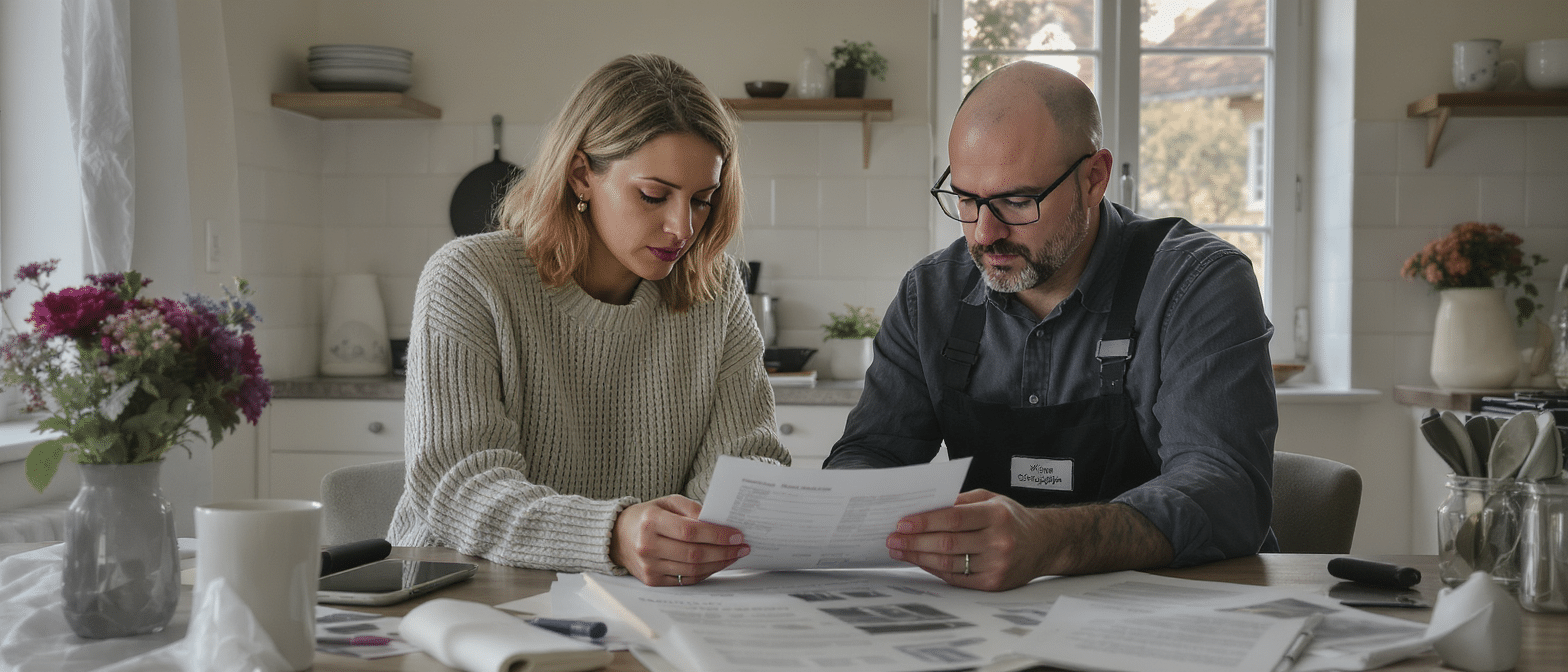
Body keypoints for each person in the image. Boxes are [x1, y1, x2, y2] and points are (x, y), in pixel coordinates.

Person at [823, 61, 1278, 591]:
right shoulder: (932, 295)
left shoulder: (1197, 282)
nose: (985, 234)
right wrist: (842, 505)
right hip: (988, 616)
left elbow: (1226, 491)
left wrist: (1048, 541)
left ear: (1095, 178)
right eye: (967, 201)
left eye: (1018, 201)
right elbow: (873, 452)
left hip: (1177, 613)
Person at [387, 54, 789, 587]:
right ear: (581, 175)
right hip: (464, 597)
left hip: (641, 603)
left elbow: (748, 466)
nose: (681, 227)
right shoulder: (469, 278)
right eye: (654, 195)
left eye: (702, 201)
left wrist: (689, 540)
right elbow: (459, 488)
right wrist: (613, 533)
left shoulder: (717, 293)